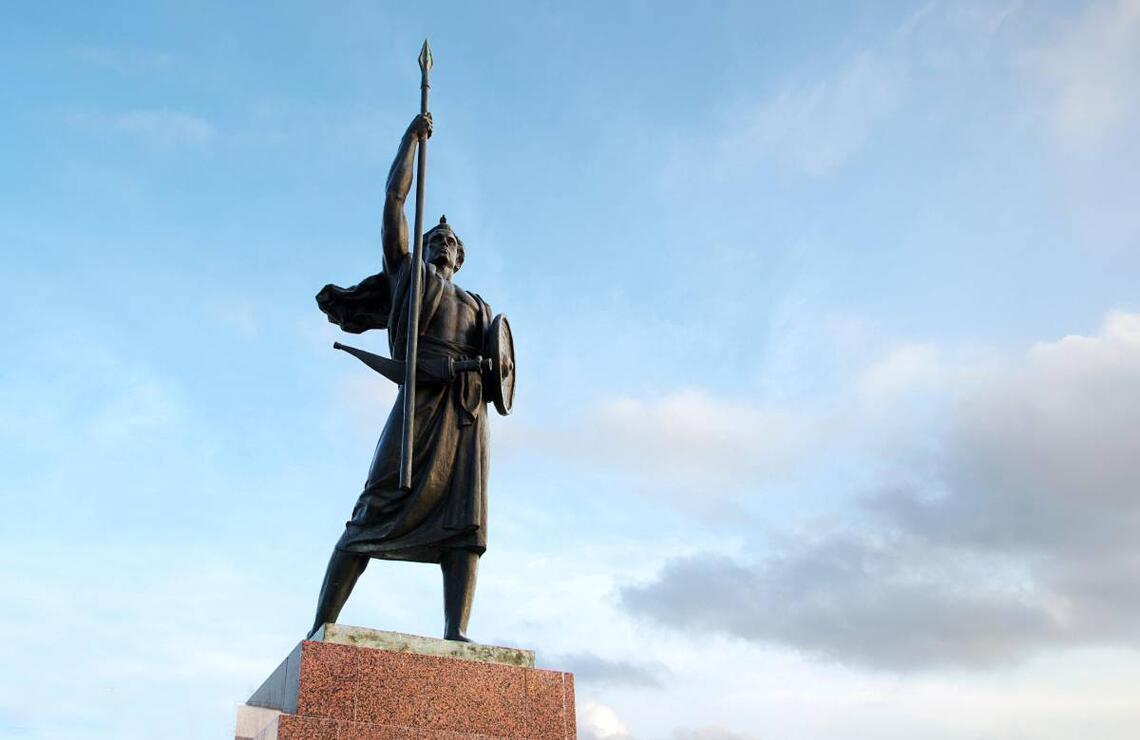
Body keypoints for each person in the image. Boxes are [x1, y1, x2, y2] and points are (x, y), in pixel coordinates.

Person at [309, 112, 492, 642]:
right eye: (434, 237)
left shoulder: (479, 306)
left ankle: (456, 631)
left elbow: (500, 366)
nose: (441, 243)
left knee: (465, 527)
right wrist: (409, 141)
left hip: (464, 414)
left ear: (460, 255)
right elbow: (393, 203)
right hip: (420, 401)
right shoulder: (409, 276)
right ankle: (323, 626)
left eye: (450, 240)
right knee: (373, 509)